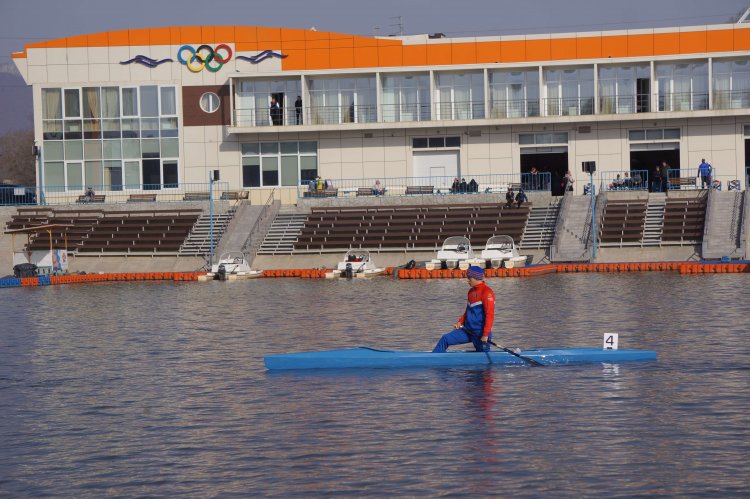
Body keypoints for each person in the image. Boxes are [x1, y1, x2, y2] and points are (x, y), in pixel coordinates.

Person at [432, 266, 495, 353]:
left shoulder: (487, 292)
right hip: (467, 331)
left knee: (483, 356)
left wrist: (485, 335)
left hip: (480, 334)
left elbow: (490, 316)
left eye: (469, 278)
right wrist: (460, 322)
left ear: (475, 278)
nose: (467, 280)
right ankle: (434, 358)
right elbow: (467, 311)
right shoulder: (471, 292)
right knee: (445, 339)